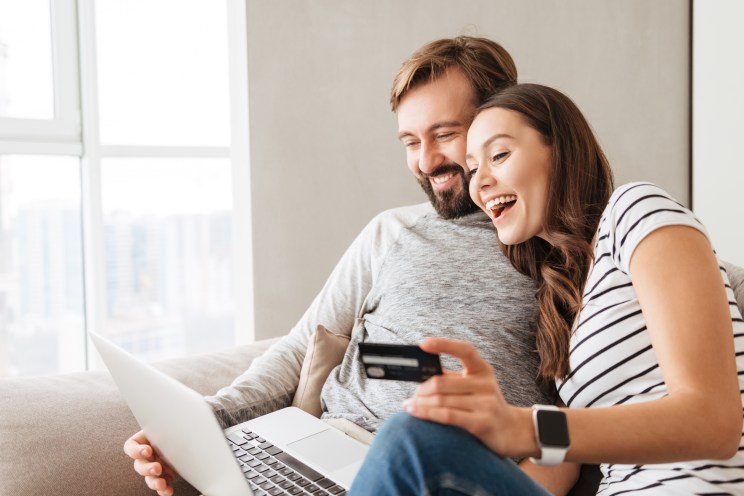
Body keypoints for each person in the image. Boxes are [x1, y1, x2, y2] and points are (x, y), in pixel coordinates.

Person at [124, 39, 582, 496]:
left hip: (445, 475)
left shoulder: (566, 254)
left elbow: (574, 430)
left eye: (444, 134)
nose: (425, 161)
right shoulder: (392, 232)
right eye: (410, 141)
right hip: (329, 447)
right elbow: (302, 348)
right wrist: (202, 426)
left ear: (496, 120)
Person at [349, 83, 744, 495]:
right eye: (472, 167)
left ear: (561, 150)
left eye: (499, 155)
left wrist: (523, 426)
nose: (478, 182)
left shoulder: (635, 211)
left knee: (409, 440)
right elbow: (564, 460)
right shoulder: (563, 301)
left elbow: (713, 421)